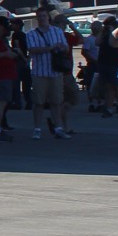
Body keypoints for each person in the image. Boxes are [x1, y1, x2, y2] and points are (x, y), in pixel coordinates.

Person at [23, 9, 70, 140]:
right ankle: (37, 128)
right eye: (39, 17)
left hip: (55, 72)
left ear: (48, 17)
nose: (41, 19)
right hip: (39, 72)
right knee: (39, 102)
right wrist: (50, 48)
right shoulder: (31, 34)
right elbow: (32, 50)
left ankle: (58, 127)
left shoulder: (57, 31)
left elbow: (66, 47)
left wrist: (61, 47)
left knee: (56, 101)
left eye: (44, 16)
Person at [93, 16, 118, 117]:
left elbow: (113, 43)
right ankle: (109, 108)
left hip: (116, 64)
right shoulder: (104, 34)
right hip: (104, 63)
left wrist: (113, 31)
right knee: (108, 87)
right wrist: (103, 31)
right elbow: (97, 42)